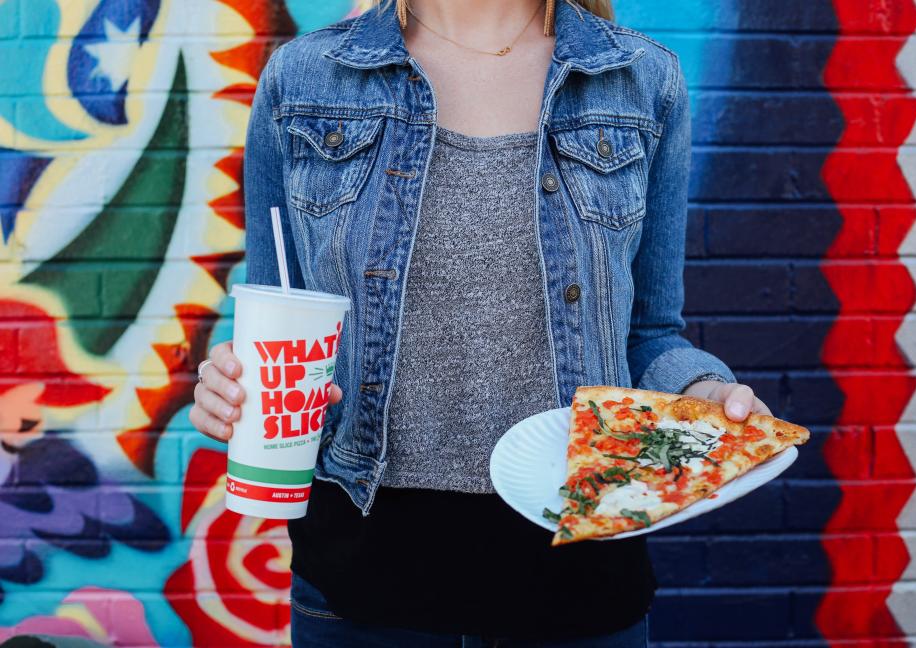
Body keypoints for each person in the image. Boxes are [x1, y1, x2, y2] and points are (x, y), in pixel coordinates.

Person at [190, 0, 772, 645]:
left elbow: (649, 333)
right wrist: (231, 385)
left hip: (580, 564)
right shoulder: (304, 78)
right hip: (362, 572)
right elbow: (281, 323)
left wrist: (704, 393)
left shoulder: (640, 79)